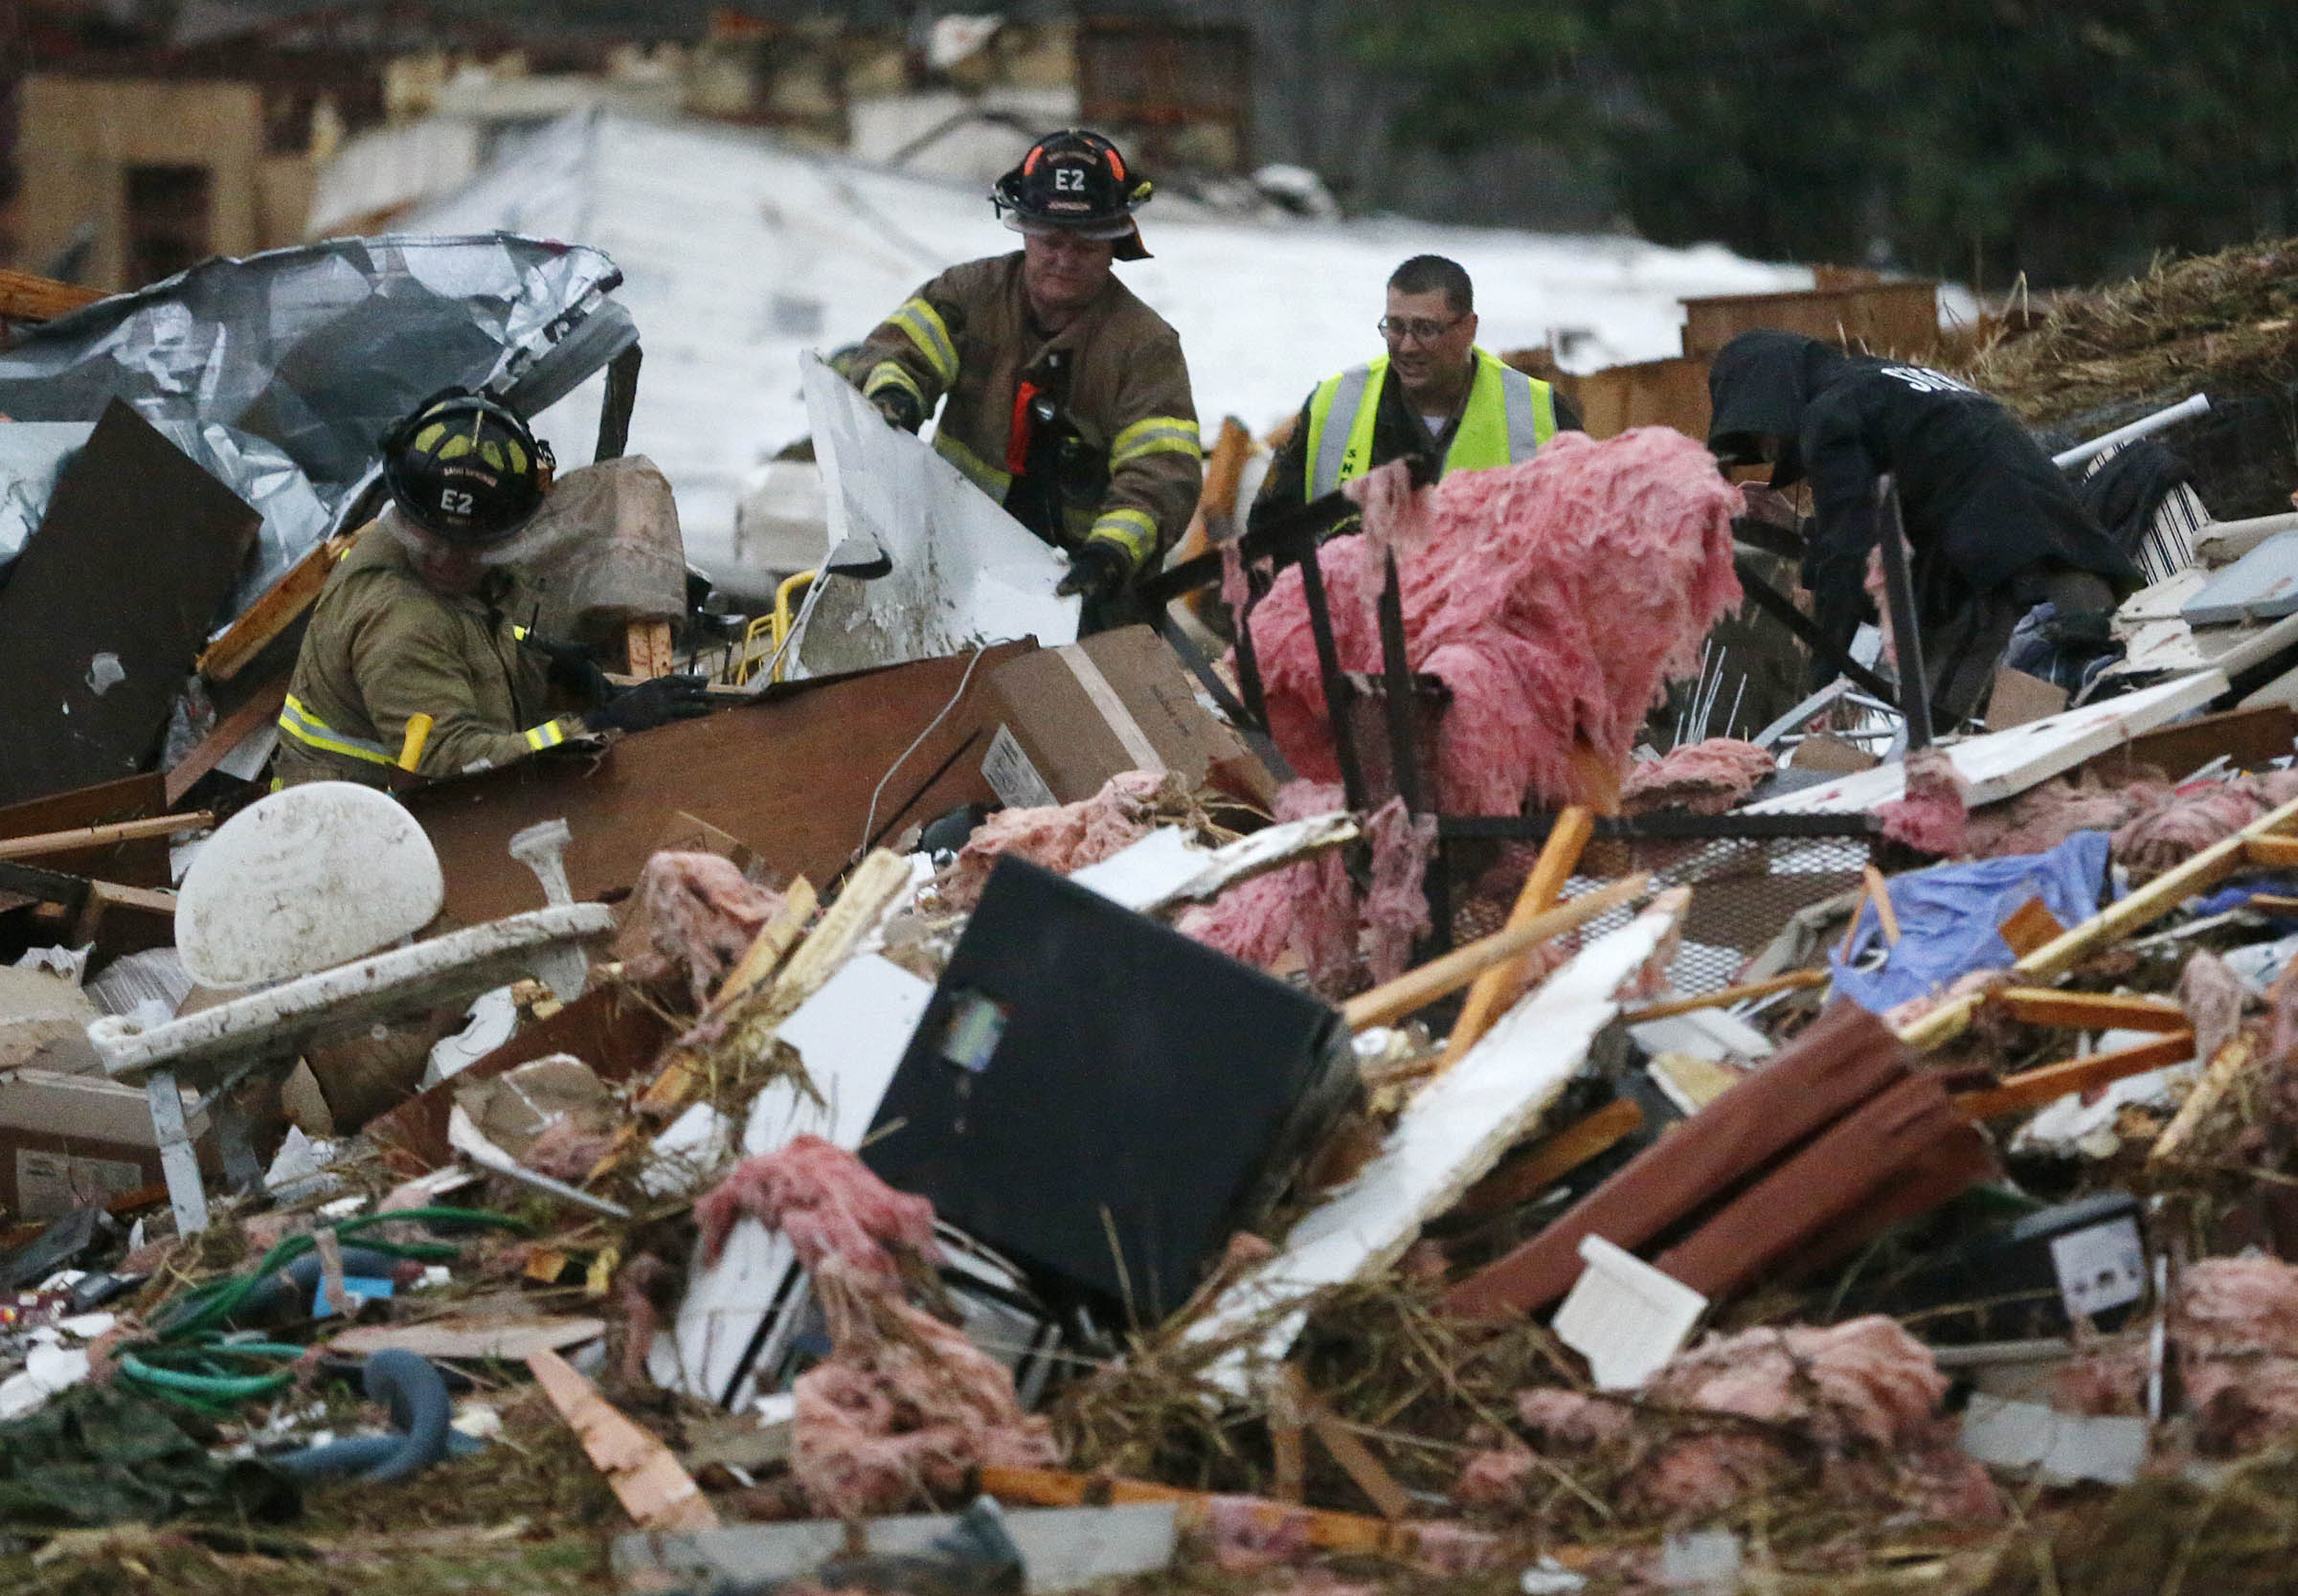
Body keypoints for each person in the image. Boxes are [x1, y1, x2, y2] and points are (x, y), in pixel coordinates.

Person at [848, 128, 1201, 632]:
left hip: (1088, 598)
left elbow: (1162, 471)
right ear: (1023, 230)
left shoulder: (1145, 347)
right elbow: (899, 352)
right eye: (1050, 240)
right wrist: (892, 397)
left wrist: (1110, 554)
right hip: (958, 566)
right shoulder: (969, 296)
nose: (1063, 259)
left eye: (1083, 246)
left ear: (1113, 243)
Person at [274, 389, 711, 788]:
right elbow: (447, 761)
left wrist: (545, 667)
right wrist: (599, 724)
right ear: (408, 515)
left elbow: (467, 640)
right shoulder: (400, 619)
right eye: (432, 539)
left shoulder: (440, 564)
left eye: (468, 546)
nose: (445, 559)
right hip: (357, 832)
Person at [1706, 329, 2142, 725]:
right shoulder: (1889, 384)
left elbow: (1852, 558)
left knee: (1935, 742)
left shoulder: (1830, 414)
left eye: (1763, 436)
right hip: (2079, 576)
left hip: (2010, 595)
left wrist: (1824, 681)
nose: (1769, 447)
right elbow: (1907, 518)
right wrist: (1800, 528)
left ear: (1764, 396)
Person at [1250, 255, 1579, 529]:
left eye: (1425, 329)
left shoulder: (1542, 413)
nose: (1407, 346)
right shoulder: (1332, 403)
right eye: (1395, 327)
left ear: (1469, 328)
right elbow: (1269, 539)